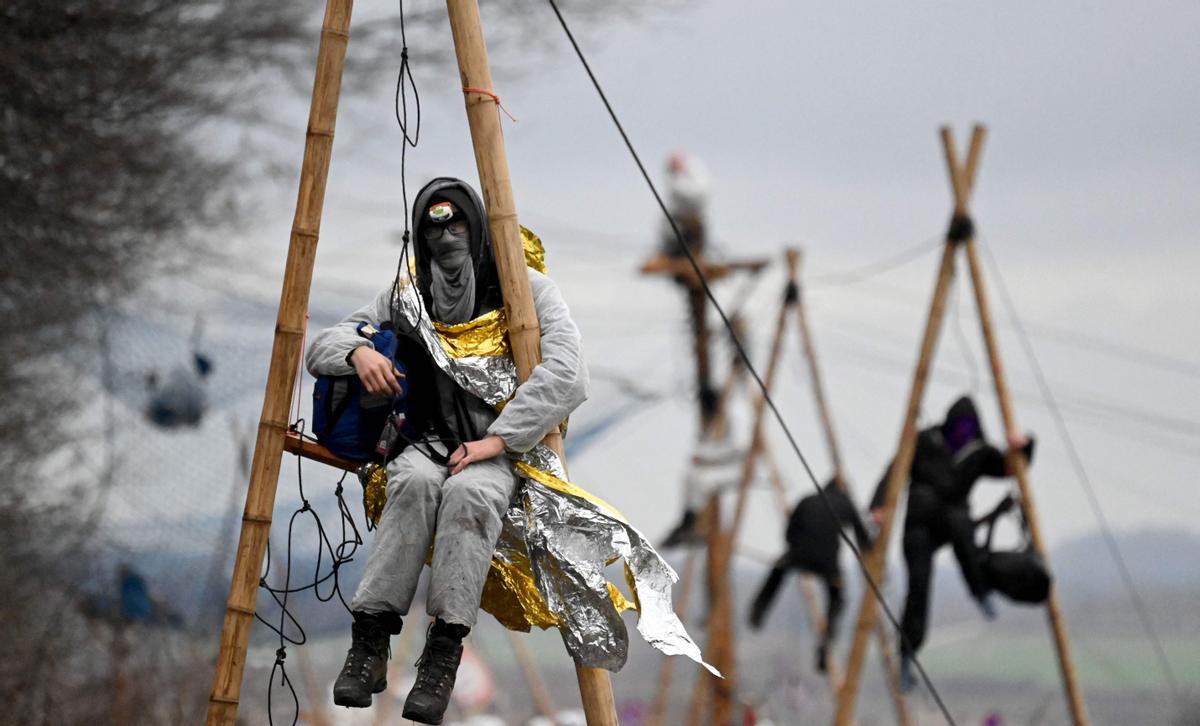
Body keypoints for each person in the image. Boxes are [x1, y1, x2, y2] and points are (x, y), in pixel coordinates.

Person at [305, 177, 588, 724]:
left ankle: (443, 652)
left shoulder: (524, 291)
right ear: (419, 235)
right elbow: (325, 345)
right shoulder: (409, 295)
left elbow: (569, 373)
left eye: (456, 222)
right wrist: (360, 352)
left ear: (476, 225)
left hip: (500, 449)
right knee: (411, 484)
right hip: (426, 442)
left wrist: (498, 439)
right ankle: (369, 644)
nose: (446, 236)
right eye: (433, 227)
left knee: (470, 497)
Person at [870, 396, 1034, 692]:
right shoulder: (925, 441)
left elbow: (1010, 467)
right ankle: (907, 654)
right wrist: (880, 504)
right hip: (920, 523)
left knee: (964, 536)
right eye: (959, 427)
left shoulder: (978, 453)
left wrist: (1023, 446)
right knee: (919, 587)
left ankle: (980, 590)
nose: (962, 433)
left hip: (953, 521)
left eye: (968, 428)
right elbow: (894, 470)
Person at [747, 480, 872, 672]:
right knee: (837, 600)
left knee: (776, 573)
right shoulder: (846, 504)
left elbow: (789, 533)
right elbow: (862, 538)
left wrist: (797, 552)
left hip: (798, 553)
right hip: (828, 560)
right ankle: (826, 646)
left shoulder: (807, 500)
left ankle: (757, 612)